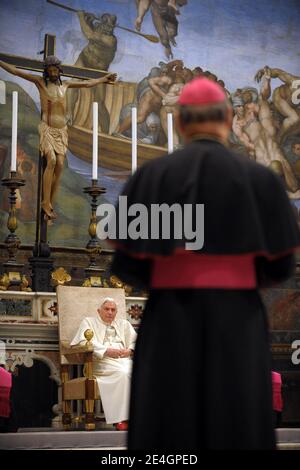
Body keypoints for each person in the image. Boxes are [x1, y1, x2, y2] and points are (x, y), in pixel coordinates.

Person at [109, 77, 300, 449]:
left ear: (180, 122)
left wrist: (174, 273)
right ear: (228, 118)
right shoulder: (261, 180)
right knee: (237, 421)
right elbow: (280, 267)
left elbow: (127, 267)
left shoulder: (150, 177)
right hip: (238, 320)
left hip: (169, 318)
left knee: (168, 425)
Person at [0, 57, 116, 220]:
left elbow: (87, 84)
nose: (53, 72)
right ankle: (45, 202)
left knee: (60, 164)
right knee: (52, 161)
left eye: (56, 70)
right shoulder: (40, 83)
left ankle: (51, 202)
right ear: (46, 71)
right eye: (50, 70)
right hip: (47, 129)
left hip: (62, 131)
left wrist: (104, 79)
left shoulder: (66, 85)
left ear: (59, 71)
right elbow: (16, 71)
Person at [70, 297, 136, 430]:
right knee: (122, 373)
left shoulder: (124, 324)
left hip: (123, 360)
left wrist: (129, 350)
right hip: (101, 362)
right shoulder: (89, 322)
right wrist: (106, 350)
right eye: (107, 309)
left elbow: (136, 341)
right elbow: (82, 342)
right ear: (99, 311)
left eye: (113, 310)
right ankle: (121, 419)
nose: (110, 312)